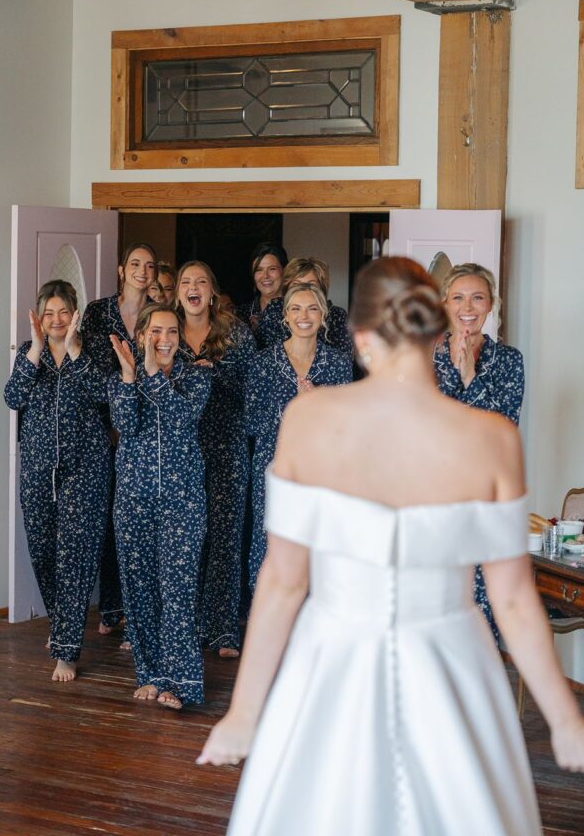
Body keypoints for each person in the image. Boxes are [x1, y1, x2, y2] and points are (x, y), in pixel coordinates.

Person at [198, 257, 584, 835]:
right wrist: (564, 718)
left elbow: (283, 580)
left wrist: (245, 714)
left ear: (357, 335)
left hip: (333, 657)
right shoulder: (493, 437)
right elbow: (511, 600)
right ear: (438, 328)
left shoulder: (307, 419)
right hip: (452, 660)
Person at [4, 280, 112, 682]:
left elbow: (105, 393)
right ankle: (61, 625)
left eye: (62, 312)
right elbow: (13, 398)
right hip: (37, 467)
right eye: (48, 313)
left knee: (75, 556)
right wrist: (33, 350)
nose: (56, 320)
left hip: (85, 468)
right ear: (39, 317)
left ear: (75, 312)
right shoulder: (28, 354)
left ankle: (67, 650)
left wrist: (74, 350)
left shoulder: (93, 348)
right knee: (44, 553)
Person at [109, 304, 212, 709]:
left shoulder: (198, 376)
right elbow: (126, 425)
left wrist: (151, 374)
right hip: (133, 499)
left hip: (182, 502)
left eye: (171, 331)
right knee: (140, 591)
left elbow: (180, 418)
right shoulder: (123, 376)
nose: (164, 339)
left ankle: (182, 682)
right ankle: (150, 674)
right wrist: (131, 376)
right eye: (155, 331)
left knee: (178, 590)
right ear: (141, 336)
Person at [434, 262, 525, 645]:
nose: (467, 306)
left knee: (482, 603)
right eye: (458, 297)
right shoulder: (425, 358)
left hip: (486, 495)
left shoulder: (509, 360)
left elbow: (502, 428)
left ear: (490, 305)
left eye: (477, 297)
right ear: (444, 304)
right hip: (434, 494)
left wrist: (470, 378)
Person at [244, 282, 352, 594]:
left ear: (323, 314)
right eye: (296, 308)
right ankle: (267, 625)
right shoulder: (263, 362)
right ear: (285, 317)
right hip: (274, 465)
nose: (304, 315)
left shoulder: (338, 363)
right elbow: (251, 421)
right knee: (270, 541)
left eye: (312, 308)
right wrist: (294, 408)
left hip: (322, 470)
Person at [175, 260, 256, 657]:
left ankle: (223, 628)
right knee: (187, 541)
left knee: (225, 537)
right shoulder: (164, 330)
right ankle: (186, 625)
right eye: (186, 282)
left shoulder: (236, 333)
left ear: (212, 291)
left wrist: (214, 374)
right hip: (180, 451)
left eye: (201, 282)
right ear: (177, 292)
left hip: (226, 446)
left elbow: (254, 390)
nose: (194, 287)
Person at [81, 242, 158, 638]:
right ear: (120, 269)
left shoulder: (159, 314)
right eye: (135, 264)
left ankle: (136, 610)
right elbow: (89, 368)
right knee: (108, 521)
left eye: (149, 265)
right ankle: (111, 607)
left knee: (135, 523)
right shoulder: (98, 312)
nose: (142, 271)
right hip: (101, 428)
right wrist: (107, 420)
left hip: (144, 426)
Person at [278, 256, 353, 356]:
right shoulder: (274, 309)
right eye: (297, 284)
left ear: (322, 289)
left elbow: (345, 357)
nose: (304, 290)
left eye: (311, 285)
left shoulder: (337, 315)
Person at [236, 242, 288, 350]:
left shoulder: (297, 312)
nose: (265, 276)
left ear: (285, 271)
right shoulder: (241, 313)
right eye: (259, 270)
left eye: (272, 269)